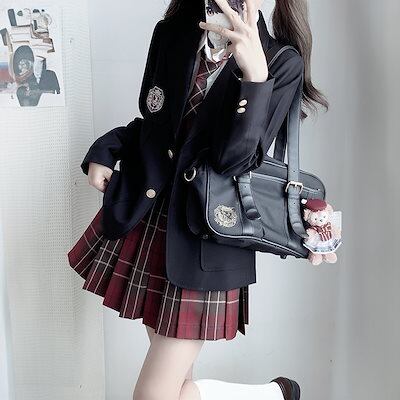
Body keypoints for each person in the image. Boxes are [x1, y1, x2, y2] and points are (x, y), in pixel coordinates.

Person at [67, 0, 328, 399]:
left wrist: (255, 78)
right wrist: (107, 148)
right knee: (173, 388)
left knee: (153, 395)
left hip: (208, 238)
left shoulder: (280, 62)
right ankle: (274, 395)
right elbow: (154, 126)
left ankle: (274, 395)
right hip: (150, 219)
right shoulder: (172, 34)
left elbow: (234, 160)